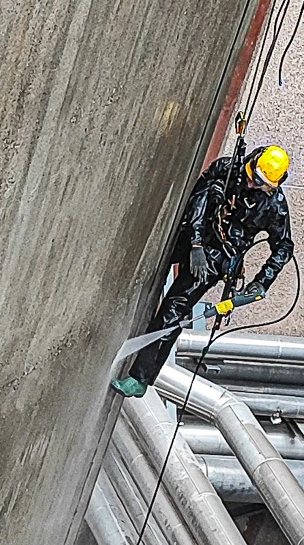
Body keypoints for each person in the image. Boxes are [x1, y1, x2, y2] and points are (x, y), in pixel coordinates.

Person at [112, 144, 294, 398]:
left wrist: (262, 282)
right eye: (252, 178)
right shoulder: (229, 168)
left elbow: (284, 247)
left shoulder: (275, 206)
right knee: (144, 268)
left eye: (260, 184)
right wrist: (196, 243)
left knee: (172, 313)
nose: (252, 185)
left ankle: (139, 379)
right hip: (191, 235)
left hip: (215, 260)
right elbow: (198, 198)